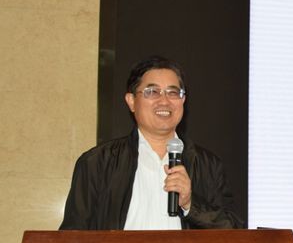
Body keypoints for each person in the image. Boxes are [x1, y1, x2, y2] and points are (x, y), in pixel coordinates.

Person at [60, 56, 244, 230]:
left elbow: (234, 230)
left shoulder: (207, 165)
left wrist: (190, 203)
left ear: (183, 100)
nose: (164, 101)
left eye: (173, 92)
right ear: (131, 101)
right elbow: (72, 238)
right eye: (152, 92)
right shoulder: (97, 162)